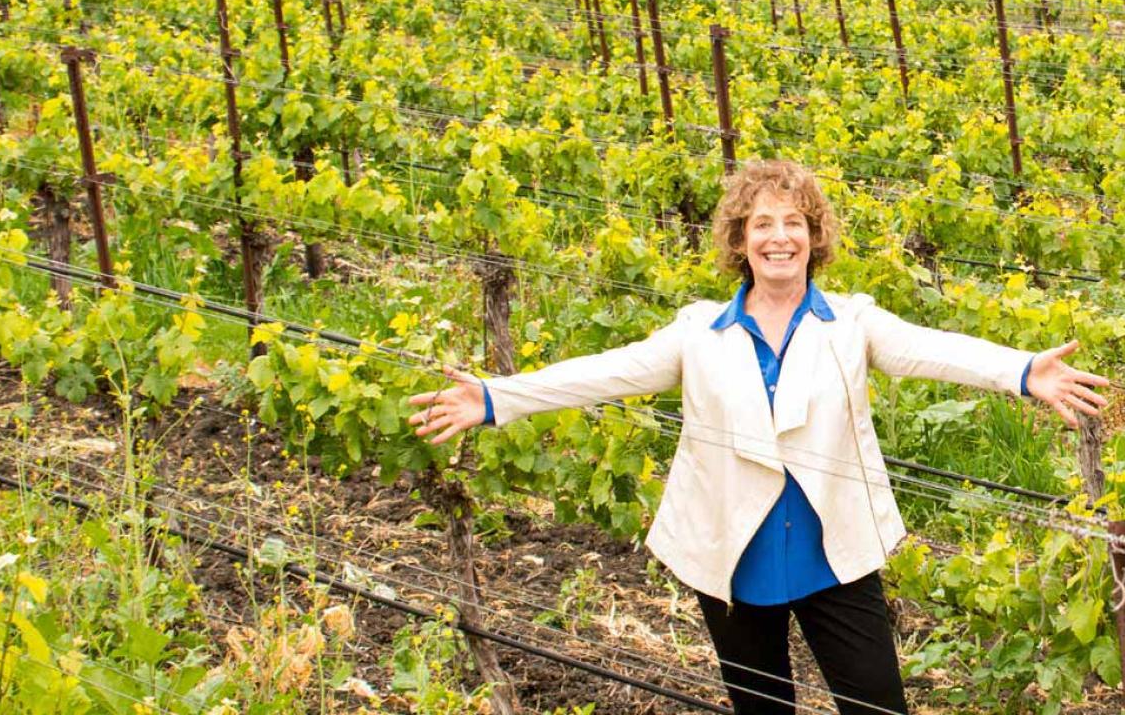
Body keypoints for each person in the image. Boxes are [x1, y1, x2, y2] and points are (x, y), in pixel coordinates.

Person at [406, 160, 1110, 714]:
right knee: (762, 709)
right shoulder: (699, 333)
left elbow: (933, 348)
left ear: (815, 237)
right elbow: (604, 374)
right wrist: (497, 397)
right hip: (732, 559)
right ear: (741, 241)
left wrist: (1022, 372)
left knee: (877, 705)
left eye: (795, 223)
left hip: (834, 556)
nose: (781, 237)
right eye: (764, 223)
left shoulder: (851, 325)